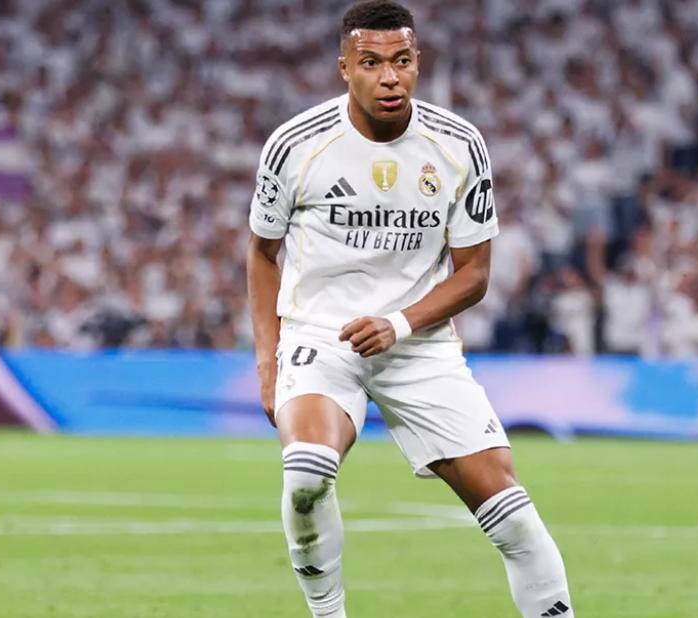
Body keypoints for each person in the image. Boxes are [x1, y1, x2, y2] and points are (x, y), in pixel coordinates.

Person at [244, 2, 574, 616]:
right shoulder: (295, 144)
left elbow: (474, 273)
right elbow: (263, 255)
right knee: (307, 472)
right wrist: (269, 360)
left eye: (401, 61)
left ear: (418, 62)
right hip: (321, 336)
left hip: (418, 343)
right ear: (345, 68)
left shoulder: (458, 145)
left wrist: (398, 324)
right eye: (371, 63)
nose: (389, 77)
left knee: (511, 513)